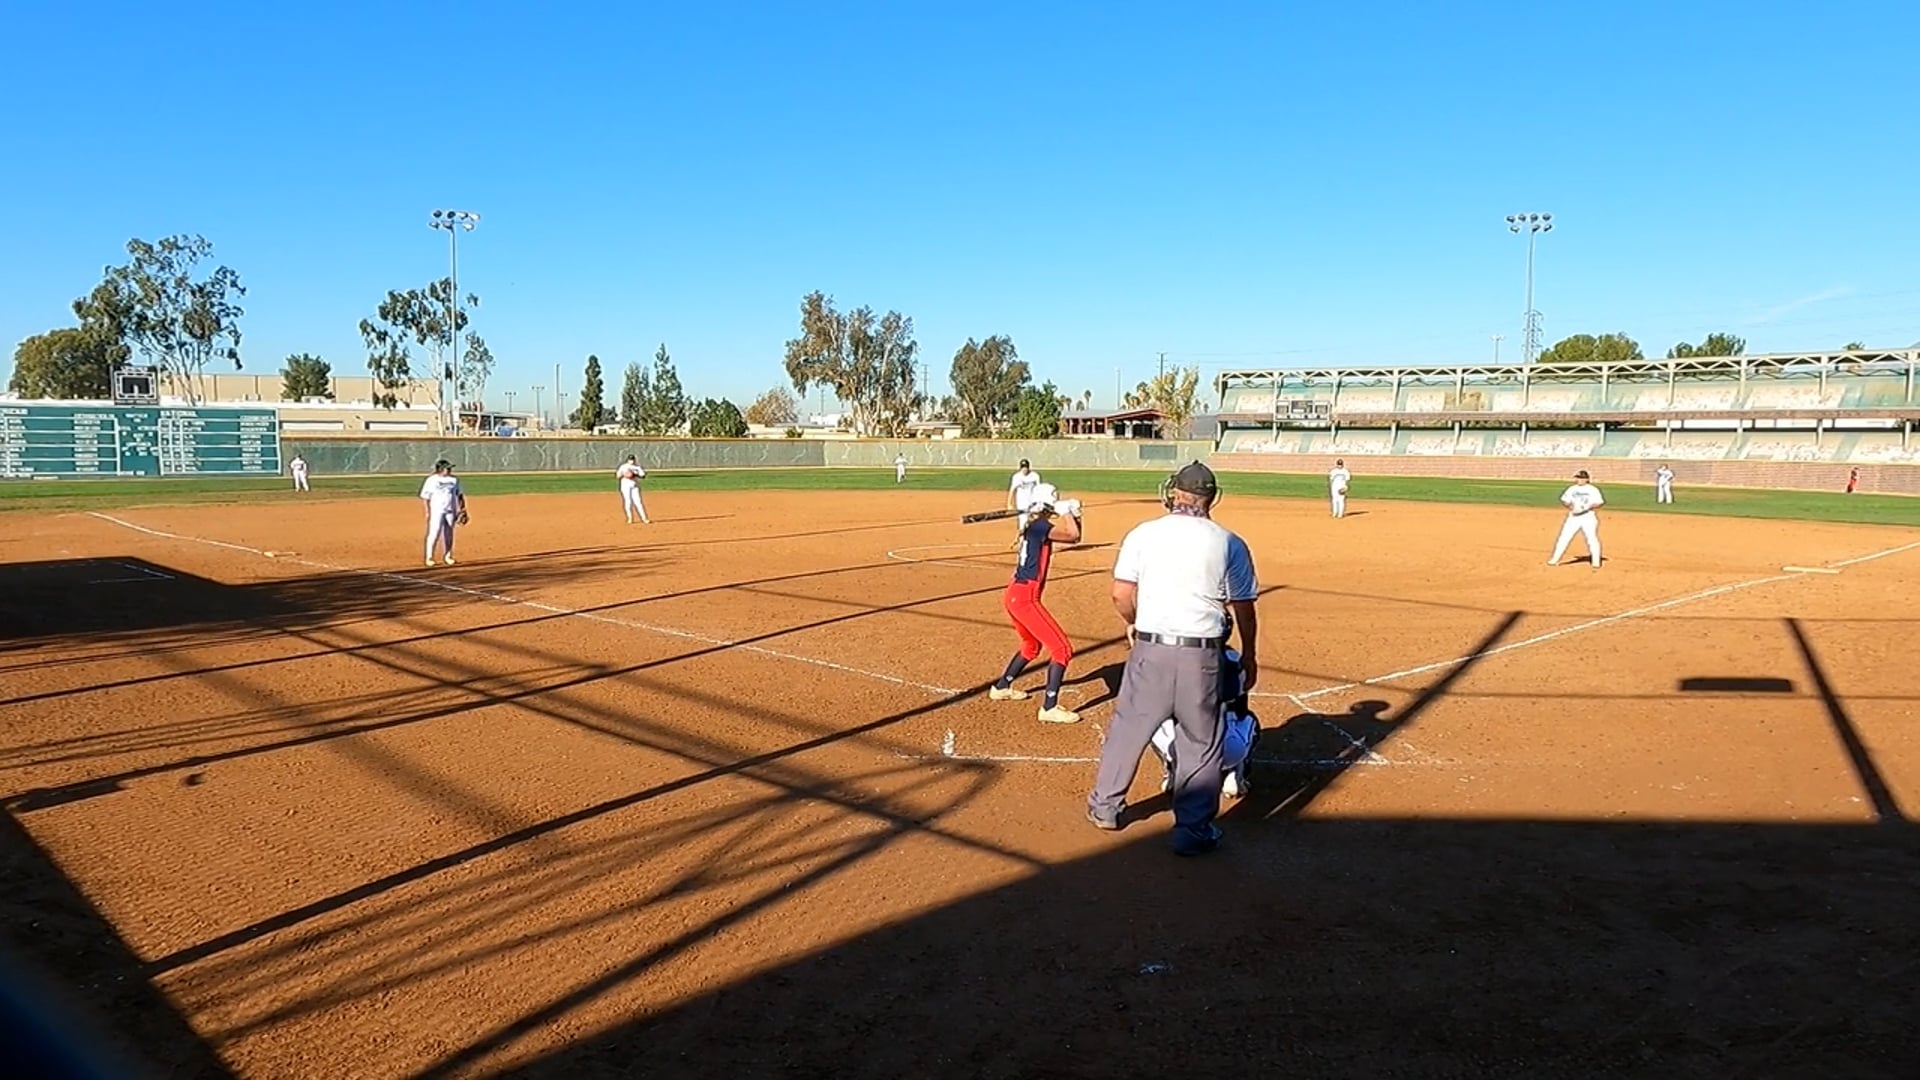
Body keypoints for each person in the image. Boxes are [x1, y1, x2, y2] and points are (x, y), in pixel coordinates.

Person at [1087, 461, 1260, 857]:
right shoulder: (1229, 542)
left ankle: (1106, 808)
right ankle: (1192, 831)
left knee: (1129, 729)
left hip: (1151, 648)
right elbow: (1244, 608)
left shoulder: (1143, 533)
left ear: (1173, 493)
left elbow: (1120, 594)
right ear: (1212, 498)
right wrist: (1250, 653)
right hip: (1204, 655)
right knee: (1201, 740)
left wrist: (1133, 622)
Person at [988, 483, 1085, 723]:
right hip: (1025, 598)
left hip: (1015, 594)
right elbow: (1073, 536)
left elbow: (1074, 536)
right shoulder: (1040, 526)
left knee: (1030, 646)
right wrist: (1067, 512)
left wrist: (1074, 515)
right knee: (1062, 649)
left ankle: (1002, 687)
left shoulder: (1034, 525)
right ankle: (1049, 707)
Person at [1150, 647, 1259, 800]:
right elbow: (1241, 709)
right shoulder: (1234, 659)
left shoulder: (1177, 661)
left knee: (1155, 723)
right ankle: (1235, 774)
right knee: (1249, 721)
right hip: (1228, 753)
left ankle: (1173, 771)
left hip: (1183, 752)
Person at [1548, 468, 1604, 569]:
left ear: (1587, 479)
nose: (1579, 480)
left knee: (1591, 538)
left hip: (1588, 516)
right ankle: (1555, 559)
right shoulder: (1571, 489)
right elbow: (1564, 500)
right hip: (1573, 517)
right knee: (1564, 537)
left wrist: (1587, 507)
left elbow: (1599, 502)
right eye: (1578, 478)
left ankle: (1596, 561)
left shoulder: (1593, 489)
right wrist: (1569, 505)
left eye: (1582, 478)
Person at [420, 459, 467, 567]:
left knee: (449, 533)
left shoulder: (454, 480)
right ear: (440, 469)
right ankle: (429, 557)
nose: (450, 470)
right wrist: (428, 511)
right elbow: (426, 497)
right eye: (447, 468)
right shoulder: (431, 480)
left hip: (451, 510)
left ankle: (448, 556)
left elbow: (459, 495)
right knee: (434, 532)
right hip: (437, 510)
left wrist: (463, 509)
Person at [617, 455, 649, 524]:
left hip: (635, 486)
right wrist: (625, 474)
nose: (631, 461)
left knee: (638, 502)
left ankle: (644, 518)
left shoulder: (637, 467)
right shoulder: (623, 466)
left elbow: (643, 476)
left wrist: (634, 474)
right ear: (627, 460)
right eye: (630, 459)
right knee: (628, 501)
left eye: (632, 459)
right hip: (625, 486)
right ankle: (630, 518)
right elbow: (618, 476)